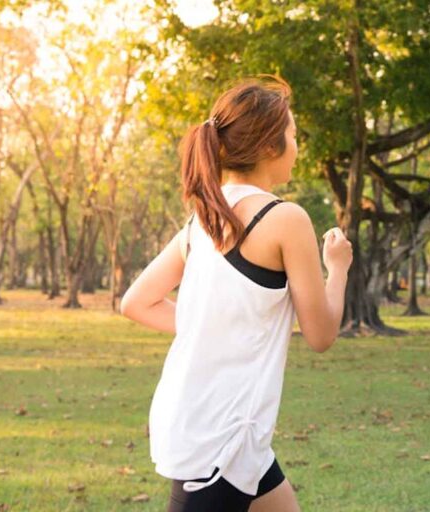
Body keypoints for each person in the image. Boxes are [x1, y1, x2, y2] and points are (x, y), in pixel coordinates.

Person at [120, 74, 353, 511]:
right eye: (293, 136)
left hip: (219, 427)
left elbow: (136, 302)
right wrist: (336, 270)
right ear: (269, 146)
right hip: (219, 440)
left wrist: (211, 327)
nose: (297, 147)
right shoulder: (286, 219)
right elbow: (320, 335)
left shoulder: (201, 221)